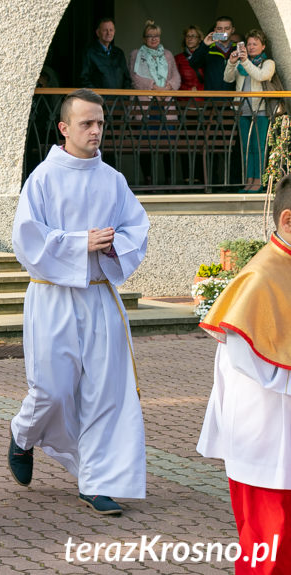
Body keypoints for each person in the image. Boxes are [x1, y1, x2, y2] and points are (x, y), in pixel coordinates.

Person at [8, 88, 149, 517]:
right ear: (64, 128)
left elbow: (136, 229)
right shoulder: (44, 178)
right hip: (53, 296)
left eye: (101, 123)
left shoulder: (113, 180)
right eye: (87, 123)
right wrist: (78, 243)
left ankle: (97, 481)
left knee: (106, 391)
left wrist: (110, 250)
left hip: (99, 295)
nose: (96, 131)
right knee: (51, 389)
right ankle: (22, 434)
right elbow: (27, 240)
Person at [197, 175, 291, 574]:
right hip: (266, 438)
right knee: (270, 544)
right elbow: (252, 361)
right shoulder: (259, 279)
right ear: (288, 221)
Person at [129, 20, 180, 186]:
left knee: (168, 144)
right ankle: (148, 179)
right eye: (150, 36)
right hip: (146, 105)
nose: (153, 39)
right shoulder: (137, 54)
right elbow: (135, 77)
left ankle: (169, 179)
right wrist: (154, 87)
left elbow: (176, 77)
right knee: (146, 144)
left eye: (156, 36)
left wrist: (168, 87)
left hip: (165, 106)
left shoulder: (168, 54)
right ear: (144, 38)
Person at [224, 29, 275, 192]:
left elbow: (260, 76)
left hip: (260, 111)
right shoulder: (241, 62)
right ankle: (249, 180)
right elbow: (228, 78)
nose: (251, 47)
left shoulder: (268, 63)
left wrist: (245, 61)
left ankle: (259, 181)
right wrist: (232, 62)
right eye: (249, 44)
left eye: (255, 44)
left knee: (258, 147)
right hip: (242, 111)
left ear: (263, 46)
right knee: (246, 147)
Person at [79, 18, 131, 89]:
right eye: (105, 30)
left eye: (111, 30)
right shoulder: (89, 52)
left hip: (119, 99)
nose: (108, 33)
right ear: (98, 32)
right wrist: (97, 97)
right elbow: (84, 80)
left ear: (114, 32)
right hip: (98, 99)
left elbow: (127, 79)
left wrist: (124, 98)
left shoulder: (119, 53)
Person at [189, 16, 237, 91]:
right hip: (211, 98)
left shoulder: (238, 49)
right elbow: (193, 63)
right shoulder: (208, 48)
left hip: (233, 98)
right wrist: (204, 45)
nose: (223, 31)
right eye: (219, 28)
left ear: (233, 30)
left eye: (227, 28)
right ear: (215, 30)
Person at [176, 25, 205, 92]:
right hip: (183, 99)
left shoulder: (206, 57)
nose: (190, 39)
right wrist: (188, 90)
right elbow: (174, 81)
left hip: (202, 98)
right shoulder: (178, 58)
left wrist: (199, 89)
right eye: (187, 36)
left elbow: (212, 80)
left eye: (193, 36)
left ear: (200, 40)